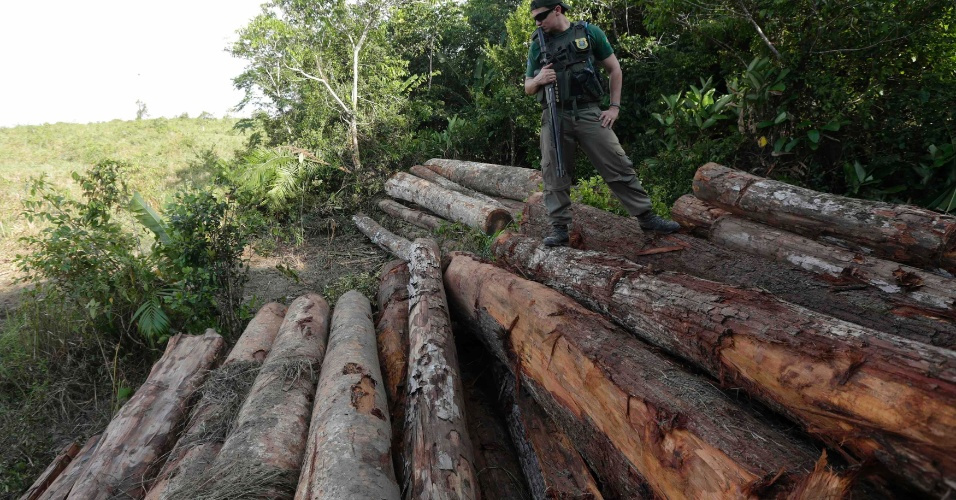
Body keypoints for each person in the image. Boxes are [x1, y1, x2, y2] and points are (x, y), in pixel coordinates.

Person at [524, 0, 680, 247]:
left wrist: (614, 107)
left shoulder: (588, 32)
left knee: (617, 162)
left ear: (557, 10)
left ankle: (646, 217)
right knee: (554, 171)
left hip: (588, 111)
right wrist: (539, 78)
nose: (537, 22)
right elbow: (528, 87)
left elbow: (614, 69)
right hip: (555, 115)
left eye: (541, 16)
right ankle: (559, 228)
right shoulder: (537, 45)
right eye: (534, 18)